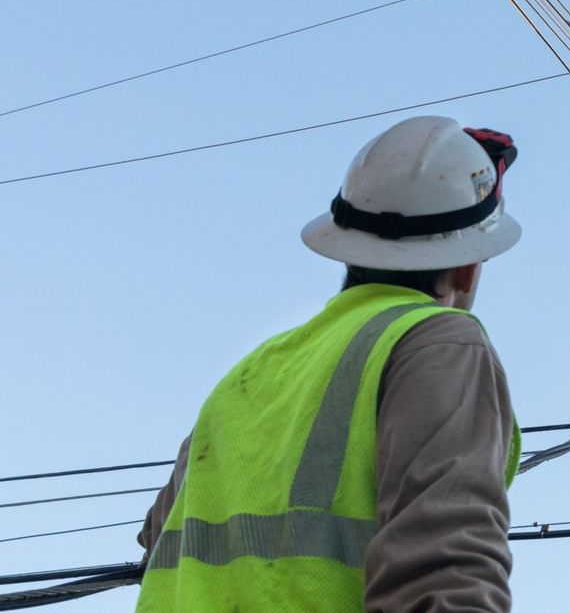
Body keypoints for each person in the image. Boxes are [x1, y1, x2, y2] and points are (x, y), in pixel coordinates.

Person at [135, 115, 525, 611]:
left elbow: (158, 535)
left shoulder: (250, 374)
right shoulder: (436, 342)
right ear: (469, 268)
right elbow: (444, 568)